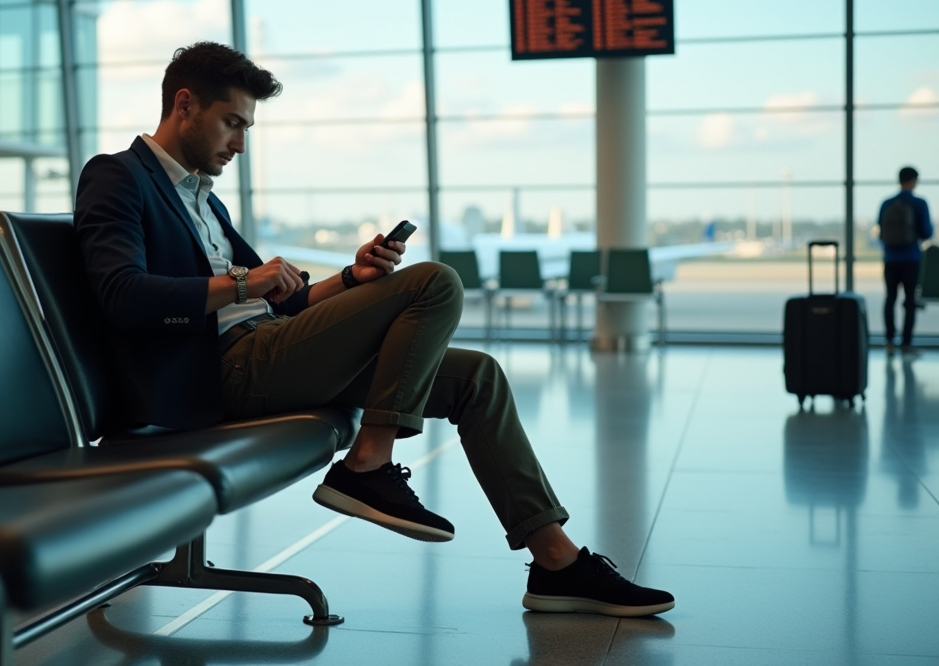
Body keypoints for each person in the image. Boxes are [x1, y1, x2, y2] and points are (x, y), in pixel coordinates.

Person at [75, 41, 674, 617]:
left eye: (247, 128)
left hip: (269, 350)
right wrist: (242, 282)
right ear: (184, 105)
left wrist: (350, 279)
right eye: (232, 123)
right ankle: (368, 465)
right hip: (221, 371)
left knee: (477, 377)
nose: (240, 144)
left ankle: (556, 562)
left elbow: (283, 304)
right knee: (435, 281)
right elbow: (123, 297)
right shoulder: (118, 176)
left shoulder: (207, 202)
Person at [878, 166, 932, 357]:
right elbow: (927, 232)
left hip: (890, 258)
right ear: (914, 180)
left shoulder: (887, 203)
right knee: (910, 301)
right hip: (911, 258)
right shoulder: (919, 203)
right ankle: (906, 343)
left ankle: (889, 341)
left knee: (890, 299)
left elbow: (881, 231)